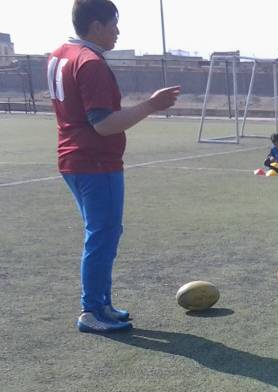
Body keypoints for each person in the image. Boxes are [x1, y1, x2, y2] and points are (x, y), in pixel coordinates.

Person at [50, 0, 181, 333]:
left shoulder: (58, 54)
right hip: (95, 161)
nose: (117, 31)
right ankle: (92, 311)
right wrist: (152, 105)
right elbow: (104, 124)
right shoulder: (90, 62)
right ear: (95, 25)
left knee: (103, 233)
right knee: (102, 235)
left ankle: (102, 305)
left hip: (73, 159)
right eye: (113, 24)